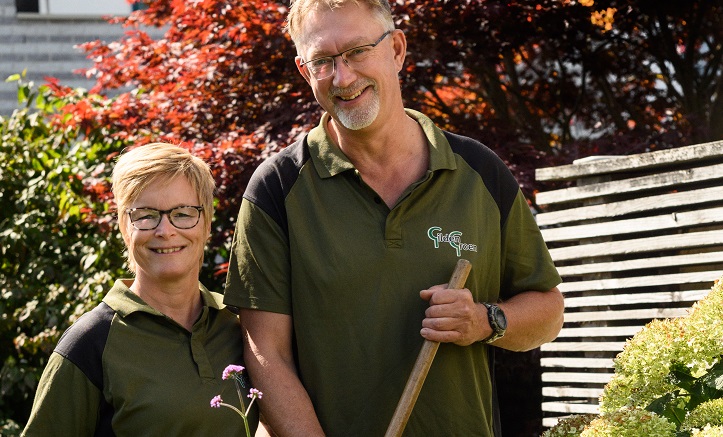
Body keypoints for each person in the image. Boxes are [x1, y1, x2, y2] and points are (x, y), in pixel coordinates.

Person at [223, 1, 564, 435]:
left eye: (358, 51)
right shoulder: (277, 188)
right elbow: (265, 353)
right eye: (323, 61)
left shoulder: (479, 172)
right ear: (305, 71)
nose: (343, 77)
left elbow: (549, 310)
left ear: (398, 49)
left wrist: (484, 320)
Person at [22, 143, 258, 436]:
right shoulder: (90, 344)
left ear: (207, 222)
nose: (165, 230)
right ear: (124, 226)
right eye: (146, 215)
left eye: (183, 213)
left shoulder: (240, 324)